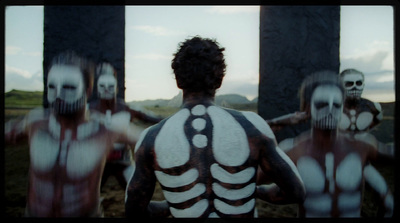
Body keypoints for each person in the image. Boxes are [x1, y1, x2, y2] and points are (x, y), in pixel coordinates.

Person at [125, 36, 305, 218]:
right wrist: (253, 191)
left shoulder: (152, 138)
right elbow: (295, 191)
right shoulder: (252, 126)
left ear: (178, 81)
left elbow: (134, 209)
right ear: (220, 80)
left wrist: (174, 206)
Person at [4, 51, 143, 217]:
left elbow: (155, 143)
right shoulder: (35, 122)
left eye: (69, 87)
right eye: (51, 86)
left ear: (88, 89)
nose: (58, 94)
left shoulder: (107, 130)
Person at [257, 71, 393, 217]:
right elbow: (251, 180)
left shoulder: (362, 146)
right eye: (322, 104)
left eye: (336, 104)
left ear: (343, 107)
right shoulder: (292, 150)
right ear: (308, 107)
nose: (329, 110)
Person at [89, 62, 162, 191]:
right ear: (97, 88)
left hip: (123, 161)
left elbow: (152, 118)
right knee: (86, 195)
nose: (106, 90)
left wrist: (173, 121)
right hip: (96, 162)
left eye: (110, 86)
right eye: (102, 86)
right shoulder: (88, 111)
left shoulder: (126, 108)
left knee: (137, 191)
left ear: (116, 88)